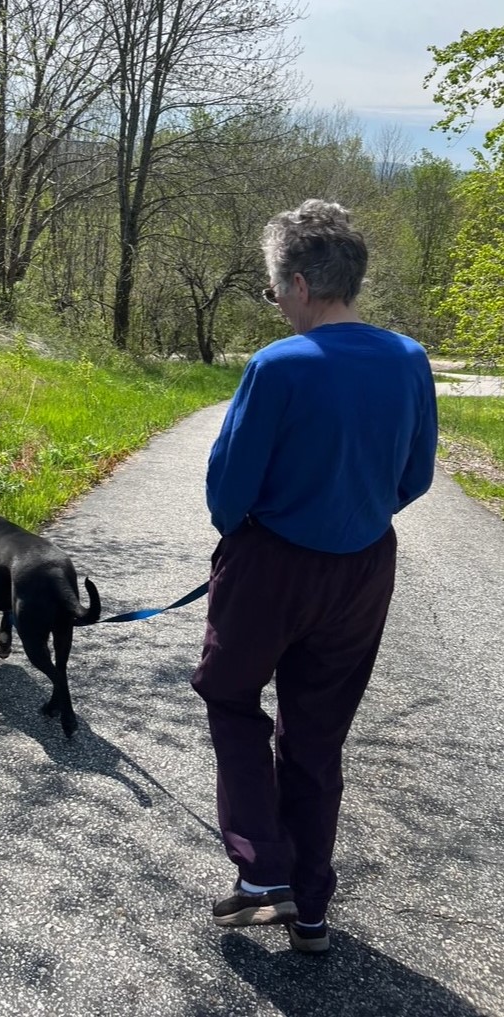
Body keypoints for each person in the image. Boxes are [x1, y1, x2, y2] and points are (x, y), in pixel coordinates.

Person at [191, 199, 437, 953]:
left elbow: (228, 489)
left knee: (229, 693)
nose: (278, 305)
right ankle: (312, 903)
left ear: (299, 284)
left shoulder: (277, 365)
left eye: (274, 291)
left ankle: (266, 869)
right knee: (317, 734)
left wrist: (253, 539)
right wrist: (355, 509)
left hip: (273, 564)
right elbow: (416, 477)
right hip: (364, 568)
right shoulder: (408, 358)